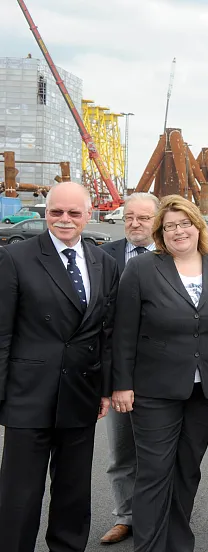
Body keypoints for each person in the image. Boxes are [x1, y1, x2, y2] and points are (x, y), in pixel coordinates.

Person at [110, 195, 208, 552]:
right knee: (153, 473)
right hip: (153, 390)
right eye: (170, 226)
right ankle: (148, 546)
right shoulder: (143, 269)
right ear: (160, 233)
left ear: (198, 226)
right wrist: (122, 384)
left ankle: (179, 544)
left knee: (187, 470)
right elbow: (123, 331)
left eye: (185, 223)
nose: (179, 231)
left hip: (204, 389)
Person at [0, 181, 119, 552]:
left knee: (72, 492)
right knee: (19, 494)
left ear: (88, 215)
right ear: (45, 213)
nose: (64, 219)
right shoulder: (16, 258)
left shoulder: (105, 262)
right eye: (56, 212)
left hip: (80, 392)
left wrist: (104, 388)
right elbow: (2, 331)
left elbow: (107, 332)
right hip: (28, 394)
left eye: (73, 213)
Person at [98, 191, 160, 545]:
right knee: (121, 451)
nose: (135, 224)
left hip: (160, 372)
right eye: (129, 218)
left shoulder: (173, 256)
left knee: (158, 451)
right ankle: (126, 517)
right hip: (116, 371)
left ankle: (158, 514)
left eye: (144, 218)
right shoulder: (104, 256)